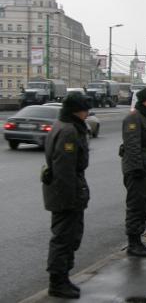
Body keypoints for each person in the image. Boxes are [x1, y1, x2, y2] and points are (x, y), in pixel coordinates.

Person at [42, 93, 91, 299]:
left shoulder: (62, 124)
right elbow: (65, 169)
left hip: (64, 191)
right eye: (85, 109)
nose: (87, 114)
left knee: (67, 236)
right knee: (64, 238)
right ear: (76, 110)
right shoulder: (69, 131)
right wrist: (70, 198)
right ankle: (58, 282)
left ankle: (63, 278)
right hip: (65, 193)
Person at [121, 88, 146, 257]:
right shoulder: (134, 118)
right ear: (143, 101)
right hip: (138, 169)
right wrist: (137, 168)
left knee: (145, 204)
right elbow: (132, 145)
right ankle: (133, 243)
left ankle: (138, 240)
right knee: (136, 205)